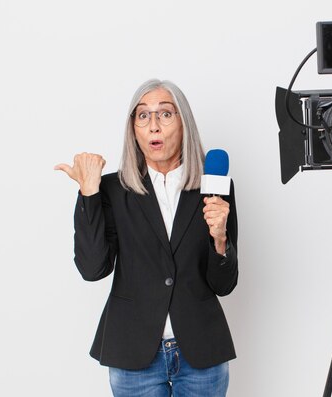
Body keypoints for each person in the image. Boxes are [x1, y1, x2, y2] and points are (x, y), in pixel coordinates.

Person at [55, 79, 238, 397]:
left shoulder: (214, 187)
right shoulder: (111, 189)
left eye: (166, 114)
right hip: (133, 351)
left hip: (201, 350)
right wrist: (88, 193)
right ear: (133, 128)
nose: (154, 125)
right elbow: (93, 268)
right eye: (143, 115)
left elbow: (224, 284)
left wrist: (220, 238)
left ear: (184, 124)